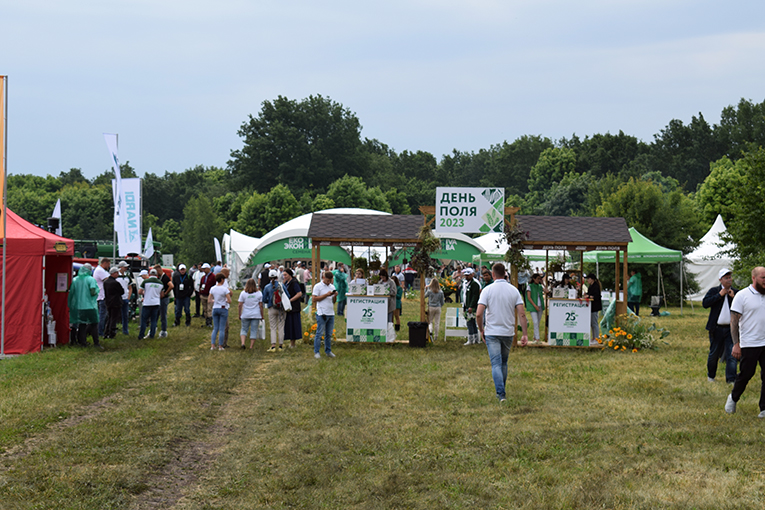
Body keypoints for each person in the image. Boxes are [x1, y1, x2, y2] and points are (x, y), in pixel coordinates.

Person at [476, 263, 529, 403]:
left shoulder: (487, 290)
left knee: (496, 364)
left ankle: (501, 394)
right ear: (505, 273)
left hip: (492, 331)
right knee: (504, 363)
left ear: (493, 275)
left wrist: (481, 329)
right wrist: (524, 334)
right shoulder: (514, 290)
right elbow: (522, 314)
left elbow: (479, 314)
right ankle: (502, 391)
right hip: (508, 331)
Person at [725, 266, 765, 417]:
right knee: (747, 374)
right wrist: (736, 344)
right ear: (754, 278)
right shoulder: (742, 296)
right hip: (749, 343)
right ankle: (733, 398)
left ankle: (764, 408)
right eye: (763, 278)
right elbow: (734, 322)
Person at [703, 268, 739, 383]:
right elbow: (705, 304)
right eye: (726, 278)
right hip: (716, 328)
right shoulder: (714, 291)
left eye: (730, 277)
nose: (729, 280)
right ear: (720, 280)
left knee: (731, 355)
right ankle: (711, 376)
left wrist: (734, 298)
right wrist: (719, 295)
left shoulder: (736, 293)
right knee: (714, 354)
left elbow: (744, 307)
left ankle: (731, 379)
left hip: (731, 329)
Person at [68, 264, 102, 350]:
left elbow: (71, 293)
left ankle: (82, 342)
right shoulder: (91, 279)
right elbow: (93, 290)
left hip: (79, 306)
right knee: (94, 324)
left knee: (82, 324)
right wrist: (94, 293)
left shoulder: (75, 280)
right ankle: (96, 343)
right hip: (90, 306)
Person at [312, 271, 337, 359]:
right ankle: (316, 351)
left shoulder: (332, 286)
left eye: (330, 280)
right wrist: (326, 295)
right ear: (323, 277)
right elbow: (314, 299)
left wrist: (334, 296)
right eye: (327, 280)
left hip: (330, 312)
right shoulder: (318, 286)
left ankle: (328, 351)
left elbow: (333, 302)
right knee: (319, 333)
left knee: (329, 334)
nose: (328, 282)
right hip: (321, 313)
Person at [263, 269, 288, 351]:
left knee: (273, 327)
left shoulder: (267, 287)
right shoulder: (281, 285)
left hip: (271, 308)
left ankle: (273, 345)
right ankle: (280, 346)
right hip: (281, 308)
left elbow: (264, 299)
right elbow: (287, 295)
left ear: (269, 277)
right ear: (277, 276)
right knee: (281, 326)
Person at [238, 278, 264, 349]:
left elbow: (240, 304)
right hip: (255, 314)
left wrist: (239, 314)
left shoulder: (243, 293)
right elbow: (261, 305)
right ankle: (251, 346)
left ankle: (243, 343)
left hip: (245, 313)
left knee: (244, 329)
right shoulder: (259, 293)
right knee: (254, 330)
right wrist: (262, 315)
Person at [138, 269, 164, 340]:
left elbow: (140, 291)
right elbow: (162, 295)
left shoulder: (146, 281)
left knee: (144, 320)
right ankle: (152, 335)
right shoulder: (160, 283)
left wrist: (145, 293)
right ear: (156, 275)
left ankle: (141, 335)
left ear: (149, 274)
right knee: (153, 320)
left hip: (147, 303)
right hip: (156, 303)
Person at [209, 273, 231, 350]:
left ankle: (212, 345)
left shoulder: (212, 288)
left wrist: (215, 301)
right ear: (222, 280)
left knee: (215, 328)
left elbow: (209, 300)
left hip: (215, 308)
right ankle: (220, 346)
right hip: (223, 308)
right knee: (222, 329)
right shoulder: (225, 289)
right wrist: (224, 301)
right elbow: (229, 300)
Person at [282, 268, 303, 348]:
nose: (284, 276)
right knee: (289, 325)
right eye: (283, 275)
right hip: (289, 307)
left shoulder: (294, 283)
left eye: (285, 275)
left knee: (293, 325)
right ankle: (291, 342)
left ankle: (293, 343)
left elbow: (299, 293)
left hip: (294, 307)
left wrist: (290, 300)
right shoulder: (287, 283)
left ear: (290, 274)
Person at [103, 267, 124, 339]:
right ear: (113, 273)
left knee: (109, 317)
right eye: (117, 273)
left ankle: (106, 332)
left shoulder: (106, 282)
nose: (118, 274)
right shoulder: (115, 283)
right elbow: (122, 291)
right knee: (114, 318)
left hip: (108, 302)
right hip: (116, 302)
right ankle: (112, 332)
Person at [462, 268, 481, 345]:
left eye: (468, 275)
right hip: (467, 305)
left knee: (470, 322)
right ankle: (475, 339)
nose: (466, 277)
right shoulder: (467, 283)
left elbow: (475, 296)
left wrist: (471, 306)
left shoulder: (474, 284)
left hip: (472, 307)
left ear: (472, 274)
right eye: (465, 275)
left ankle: (471, 339)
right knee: (472, 322)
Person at [154, 264, 174, 338]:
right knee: (157, 314)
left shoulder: (165, 277)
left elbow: (171, 286)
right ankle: (154, 329)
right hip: (159, 299)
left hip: (164, 299)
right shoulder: (159, 277)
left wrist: (165, 293)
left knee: (163, 315)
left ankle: (164, 331)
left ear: (159, 270)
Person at [525, 273, 545, 343]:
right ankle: (537, 339)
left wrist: (543, 283)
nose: (539, 280)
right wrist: (535, 306)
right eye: (538, 279)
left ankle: (534, 337)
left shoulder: (539, 286)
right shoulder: (529, 286)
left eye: (540, 279)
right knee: (535, 322)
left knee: (538, 323)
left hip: (540, 306)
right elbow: (529, 297)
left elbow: (546, 291)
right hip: (533, 306)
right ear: (534, 279)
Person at [93, 257, 111, 337]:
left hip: (103, 295)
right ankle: (100, 331)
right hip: (102, 296)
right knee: (102, 314)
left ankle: (101, 329)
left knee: (104, 314)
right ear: (105, 263)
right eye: (108, 264)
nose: (109, 266)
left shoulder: (101, 270)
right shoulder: (100, 271)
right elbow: (108, 280)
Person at [584, 274, 602, 342]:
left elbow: (596, 296)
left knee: (594, 323)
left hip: (595, 307)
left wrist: (589, 296)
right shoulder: (591, 286)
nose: (587, 280)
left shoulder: (596, 286)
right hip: (591, 307)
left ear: (592, 279)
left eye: (588, 279)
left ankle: (596, 337)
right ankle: (593, 337)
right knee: (592, 323)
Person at [116, 261, 133, 336]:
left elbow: (130, 287)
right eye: (124, 267)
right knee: (115, 315)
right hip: (118, 298)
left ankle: (125, 330)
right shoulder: (116, 276)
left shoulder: (127, 276)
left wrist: (128, 296)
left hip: (125, 298)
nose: (126, 268)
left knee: (125, 315)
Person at [199, 263, 216, 327]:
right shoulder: (203, 277)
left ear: (208, 269)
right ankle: (206, 321)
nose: (203, 270)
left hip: (210, 295)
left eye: (204, 269)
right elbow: (201, 285)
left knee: (209, 309)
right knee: (205, 309)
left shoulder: (213, 276)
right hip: (203, 294)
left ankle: (209, 322)